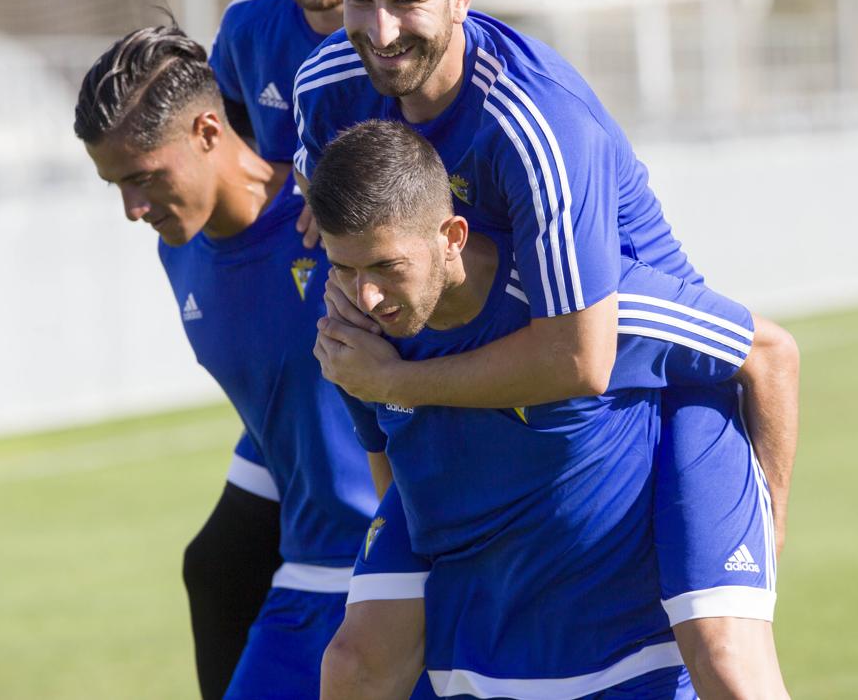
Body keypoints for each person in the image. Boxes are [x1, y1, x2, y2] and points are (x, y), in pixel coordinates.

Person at [293, 0, 800, 693]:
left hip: (651, 377)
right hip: (478, 366)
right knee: (354, 664)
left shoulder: (536, 124)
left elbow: (583, 355)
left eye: (406, 0)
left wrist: (769, 515)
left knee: (727, 659)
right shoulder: (327, 95)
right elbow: (348, 276)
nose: (379, 31)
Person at [308, 121, 787, 698]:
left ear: (453, 236)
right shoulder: (356, 334)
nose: (367, 296)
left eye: (386, 267)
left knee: (732, 673)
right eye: (345, 268)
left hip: (648, 487)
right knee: (352, 668)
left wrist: (772, 529)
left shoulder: (582, 306)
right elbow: (387, 460)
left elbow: (770, 353)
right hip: (476, 513)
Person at [75, 24, 400, 699]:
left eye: (143, 178)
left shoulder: (331, 220)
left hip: (399, 577)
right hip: (309, 571)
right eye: (115, 186)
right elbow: (279, 405)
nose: (132, 209)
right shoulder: (179, 254)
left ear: (207, 131)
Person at [188, 0, 396, 693]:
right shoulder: (249, 30)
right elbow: (239, 172)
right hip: (309, 367)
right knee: (219, 567)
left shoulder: (412, 33)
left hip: (406, 354)